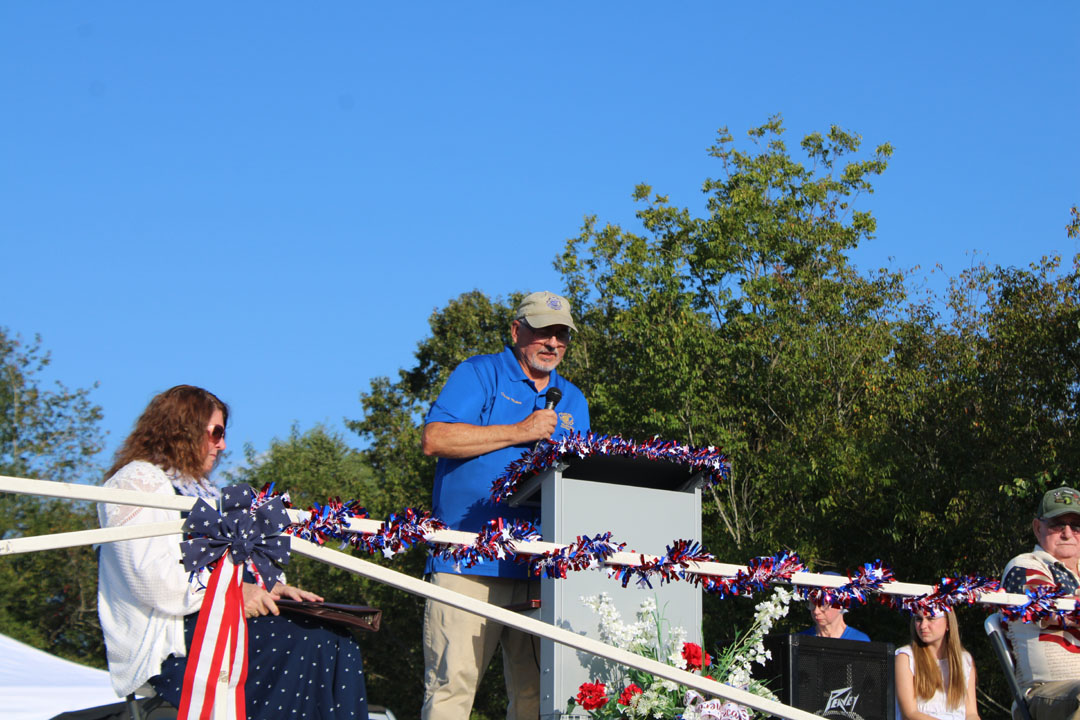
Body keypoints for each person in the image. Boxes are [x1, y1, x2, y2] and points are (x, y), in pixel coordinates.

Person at [97, 385, 368, 719]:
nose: (222, 445)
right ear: (183, 429)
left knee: (337, 636)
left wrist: (271, 588)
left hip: (220, 620)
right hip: (176, 641)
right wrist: (235, 592)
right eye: (216, 433)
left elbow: (235, 568)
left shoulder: (206, 493)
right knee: (310, 640)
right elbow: (153, 582)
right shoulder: (137, 480)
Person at [420, 291, 590, 720]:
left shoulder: (573, 399)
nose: (552, 343)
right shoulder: (479, 373)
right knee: (452, 687)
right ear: (517, 331)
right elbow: (435, 439)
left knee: (540, 697)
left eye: (561, 335)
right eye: (542, 332)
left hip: (538, 566)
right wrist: (521, 431)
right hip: (467, 560)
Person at [1001, 486, 1080, 720]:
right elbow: (1049, 606)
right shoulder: (1025, 566)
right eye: (1058, 525)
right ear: (1038, 528)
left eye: (1076, 526)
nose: (1067, 533)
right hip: (1043, 693)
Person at [894, 611, 979, 720]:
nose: (923, 626)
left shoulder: (964, 660)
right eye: (919, 619)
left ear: (948, 623)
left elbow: (971, 713)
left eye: (931, 618)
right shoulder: (906, 657)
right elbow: (910, 713)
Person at [799, 572, 871, 641]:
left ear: (841, 604)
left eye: (823, 605)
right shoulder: (800, 640)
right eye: (812, 604)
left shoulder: (859, 641)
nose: (816, 611)